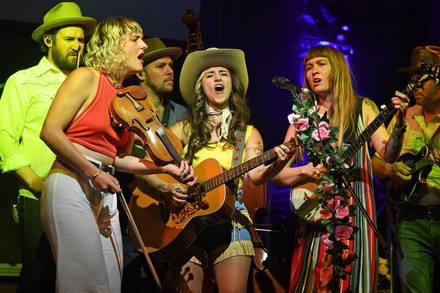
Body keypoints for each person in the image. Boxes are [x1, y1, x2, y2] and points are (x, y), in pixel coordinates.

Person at [38, 17, 195, 293]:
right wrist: (93, 172)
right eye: (135, 39)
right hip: (72, 182)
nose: (143, 45)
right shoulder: (86, 77)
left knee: (109, 285)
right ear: (112, 45)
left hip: (105, 188)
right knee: (84, 283)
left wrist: (166, 169)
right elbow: (50, 131)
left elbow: (119, 158)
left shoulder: (125, 99)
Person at [135, 47, 294, 292]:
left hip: (231, 225)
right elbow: (144, 166)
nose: (218, 78)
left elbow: (257, 175)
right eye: (210, 75)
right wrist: (167, 187)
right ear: (200, 87)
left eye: (224, 73)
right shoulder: (184, 129)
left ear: (233, 85)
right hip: (185, 226)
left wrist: (279, 163)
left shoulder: (248, 134)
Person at [271, 45, 408, 292]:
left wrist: (399, 125)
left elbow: (388, 153)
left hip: (355, 219)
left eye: (321, 64)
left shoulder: (363, 108)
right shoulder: (303, 118)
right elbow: (278, 176)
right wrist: (305, 172)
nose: (314, 71)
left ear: (338, 69)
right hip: (315, 219)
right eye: (309, 67)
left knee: (352, 281)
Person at [0, 2, 96, 292]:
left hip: (84, 195)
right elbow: (4, 137)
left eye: (81, 40)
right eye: (70, 39)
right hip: (38, 195)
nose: (77, 46)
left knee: (78, 278)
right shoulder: (24, 81)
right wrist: (35, 182)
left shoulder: (90, 82)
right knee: (39, 277)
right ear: (48, 40)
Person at [119, 37, 189, 292]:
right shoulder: (124, 109)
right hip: (132, 211)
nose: (170, 71)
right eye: (161, 66)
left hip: (169, 217)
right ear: (141, 75)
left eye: (171, 65)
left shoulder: (182, 115)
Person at [372, 45, 440, 293]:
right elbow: (375, 162)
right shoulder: (405, 115)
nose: (413, 85)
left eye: (420, 77)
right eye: (411, 78)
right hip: (411, 220)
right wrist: (390, 171)